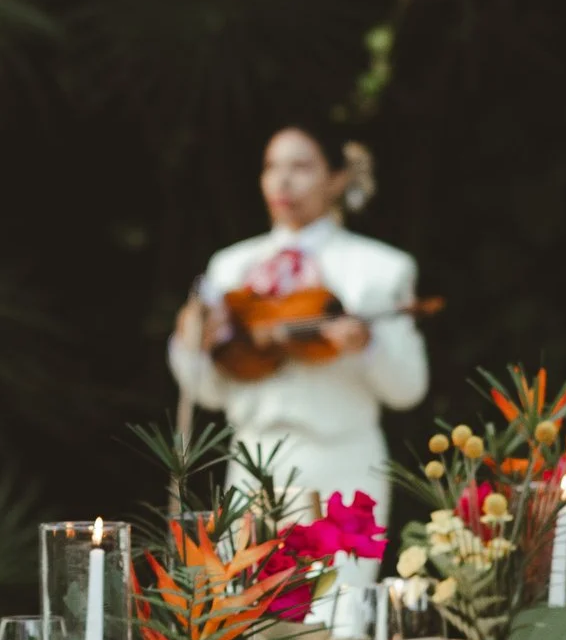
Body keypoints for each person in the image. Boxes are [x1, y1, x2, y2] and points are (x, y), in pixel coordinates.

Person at [169, 125, 428, 529]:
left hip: (343, 465)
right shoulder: (230, 268)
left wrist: (367, 346)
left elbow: (408, 388)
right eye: (272, 167)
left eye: (302, 166)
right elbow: (210, 394)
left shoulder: (381, 269)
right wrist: (192, 343)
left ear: (337, 178)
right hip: (252, 465)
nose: (283, 180)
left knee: (340, 594)